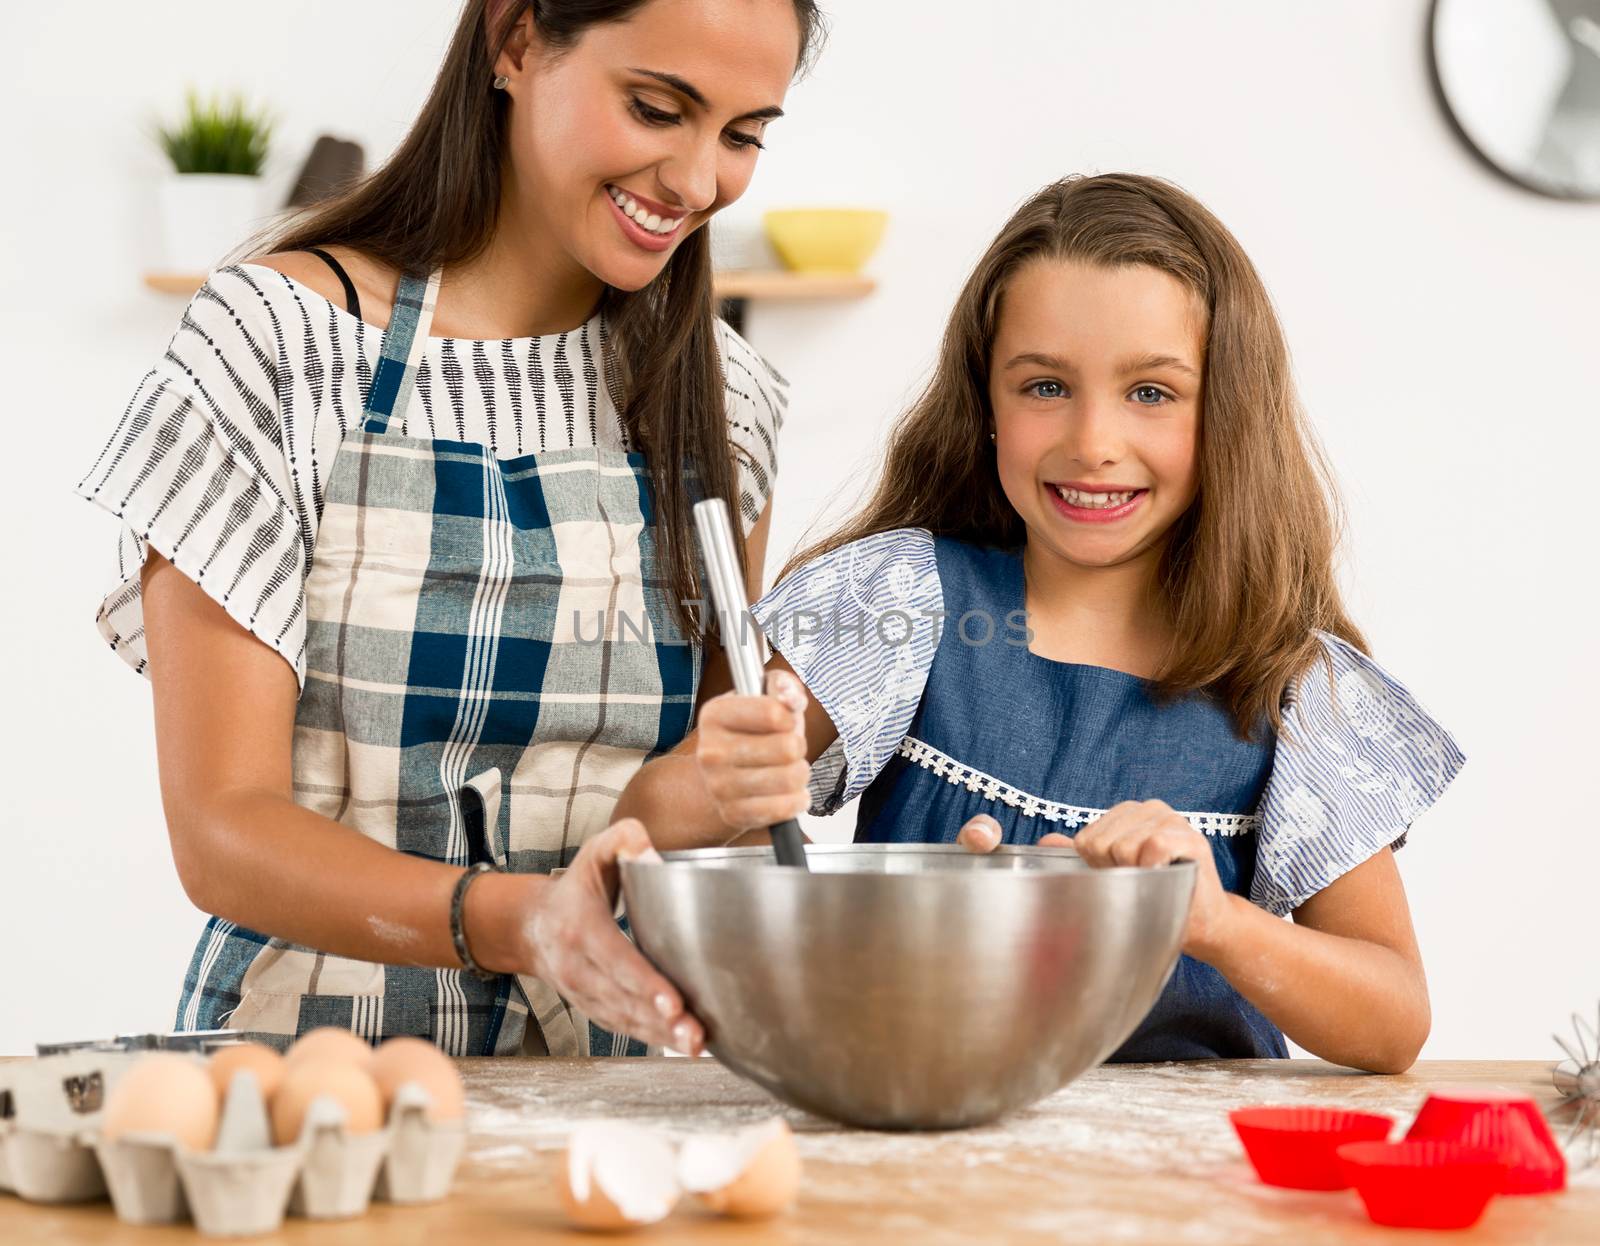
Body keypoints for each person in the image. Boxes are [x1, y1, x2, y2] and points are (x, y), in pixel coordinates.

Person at [74, 0, 824, 1057]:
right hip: (316, 1080)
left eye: (744, 135)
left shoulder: (720, 398)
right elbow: (224, 830)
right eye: (658, 108)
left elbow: (672, 821)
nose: (700, 181)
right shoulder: (282, 347)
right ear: (516, 41)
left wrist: (720, 788)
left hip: (620, 1096)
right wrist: (521, 923)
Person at [616, 174, 1462, 1073]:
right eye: (1046, 385)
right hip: (922, 1161)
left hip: (1181, 1196)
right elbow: (650, 821)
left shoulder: (1295, 691)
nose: (1093, 440)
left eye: (1151, 393)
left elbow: (1393, 1021)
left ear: (1227, 415)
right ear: (985, 404)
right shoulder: (899, 603)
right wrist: (727, 782)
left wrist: (1215, 921)